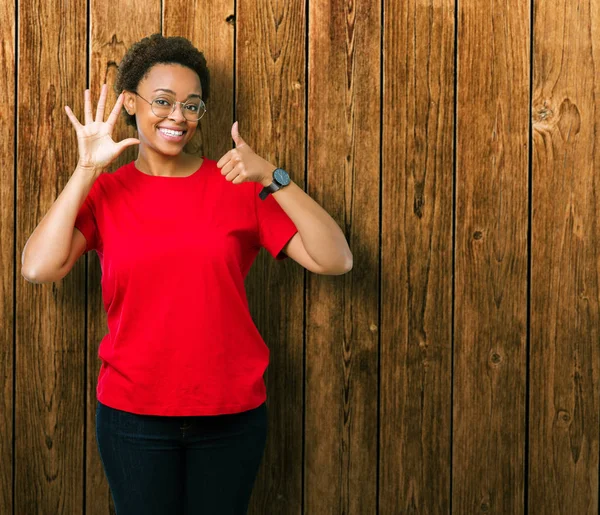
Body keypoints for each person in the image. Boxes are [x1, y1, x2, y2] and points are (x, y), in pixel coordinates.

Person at [21, 33, 353, 514]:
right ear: (130, 103)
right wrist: (85, 170)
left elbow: (335, 259)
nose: (178, 116)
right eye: (162, 101)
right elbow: (37, 267)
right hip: (133, 416)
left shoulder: (237, 186)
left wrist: (272, 176)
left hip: (230, 413)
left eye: (192, 105)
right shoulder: (107, 193)